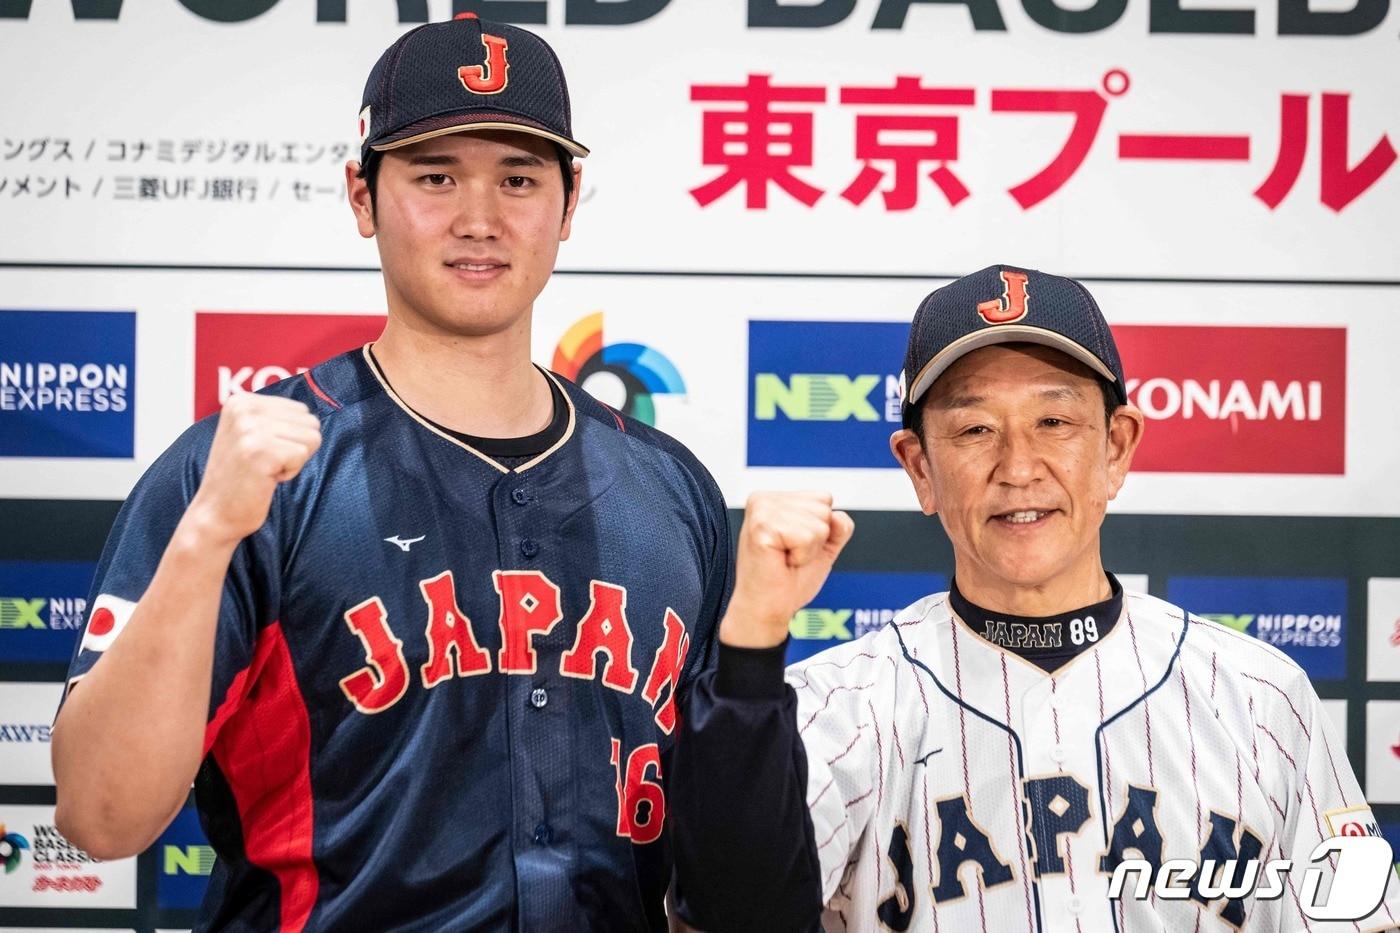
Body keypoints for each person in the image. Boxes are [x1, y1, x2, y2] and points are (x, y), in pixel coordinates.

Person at [51, 14, 730, 931]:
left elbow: (723, 851)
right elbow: (100, 816)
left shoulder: (673, 490)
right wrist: (209, 534)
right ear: (362, 197)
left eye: (519, 180)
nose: (479, 219)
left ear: (568, 204)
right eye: (435, 176)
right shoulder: (251, 472)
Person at [670, 265, 1400, 932]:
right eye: (975, 428)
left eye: (1054, 421)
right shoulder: (837, 709)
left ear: (1116, 446)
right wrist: (753, 638)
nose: (1019, 467)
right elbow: (731, 917)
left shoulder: (1261, 698)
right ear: (919, 467)